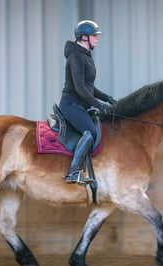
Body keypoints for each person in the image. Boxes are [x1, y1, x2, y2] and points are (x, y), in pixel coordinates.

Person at [59, 20, 117, 185]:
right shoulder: (76, 57)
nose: (97, 39)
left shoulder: (85, 56)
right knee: (90, 131)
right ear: (84, 37)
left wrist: (107, 98)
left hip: (80, 104)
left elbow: (89, 87)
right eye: (94, 36)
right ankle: (73, 172)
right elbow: (80, 89)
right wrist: (99, 105)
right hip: (70, 104)